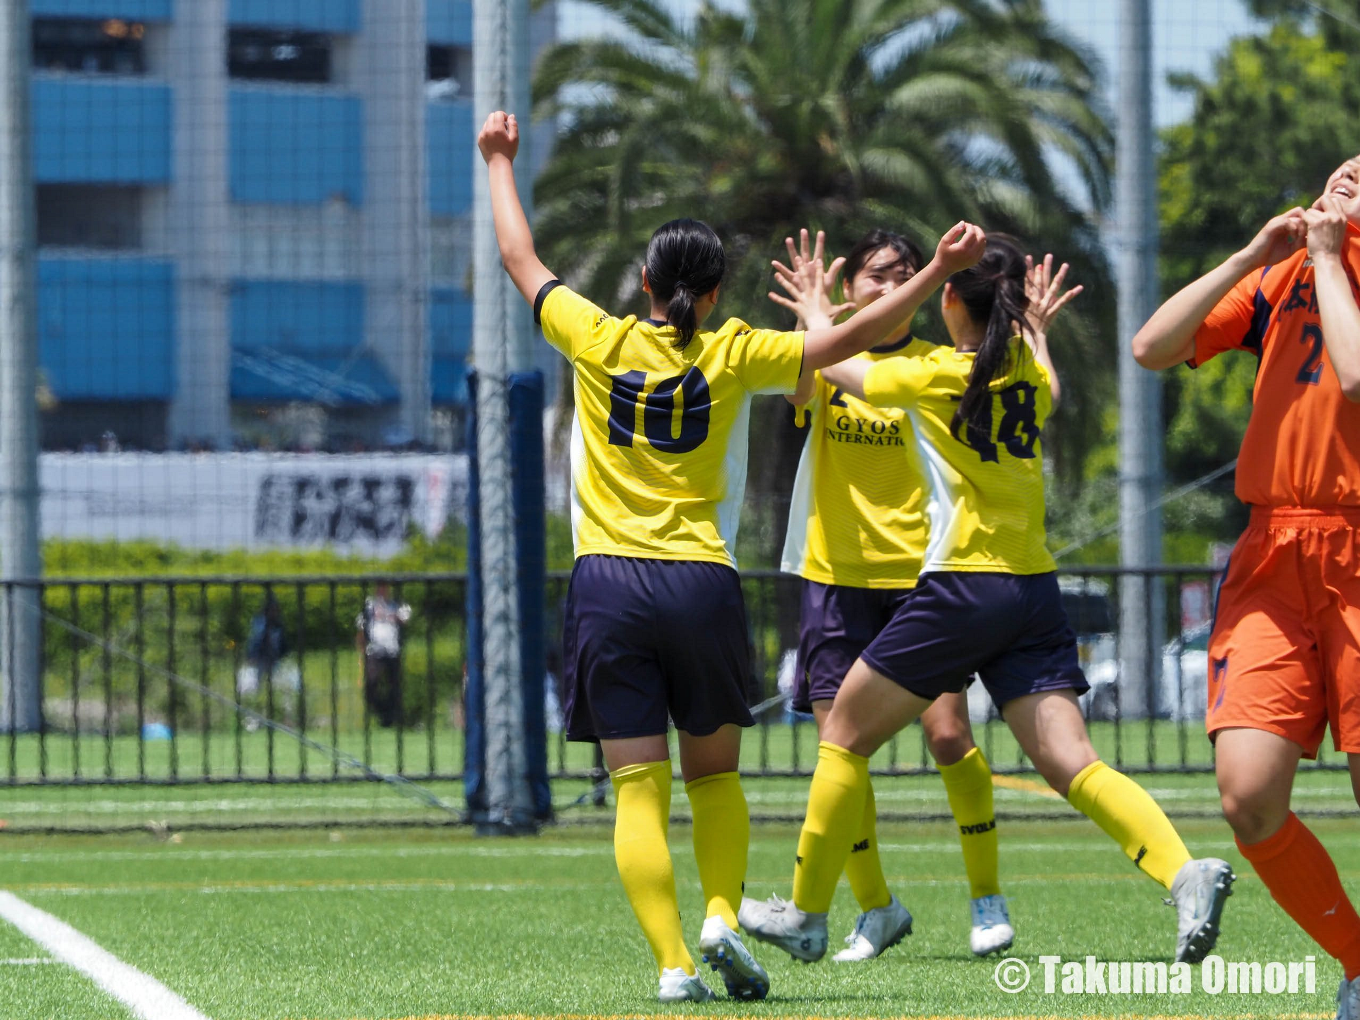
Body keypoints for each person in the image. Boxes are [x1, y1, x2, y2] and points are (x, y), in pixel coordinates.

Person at [477, 109, 986, 1002]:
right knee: (715, 780)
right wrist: (939, 271)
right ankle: (722, 914)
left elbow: (521, 258)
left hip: (609, 585)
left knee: (637, 786)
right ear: (715, 292)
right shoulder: (737, 349)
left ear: (645, 281)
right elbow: (852, 340)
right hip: (701, 584)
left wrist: (498, 163)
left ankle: (675, 964)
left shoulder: (597, 338)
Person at [740, 234, 1235, 968]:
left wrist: (818, 307)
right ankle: (1182, 869)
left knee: (842, 734)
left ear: (948, 300)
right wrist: (1034, 328)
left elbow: (836, 363)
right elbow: (1054, 388)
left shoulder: (942, 371)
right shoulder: (1027, 370)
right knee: (1073, 761)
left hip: (963, 586)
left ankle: (807, 915)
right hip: (1032, 588)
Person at [746, 229, 1081, 961]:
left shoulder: (941, 362)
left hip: (927, 576)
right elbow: (803, 380)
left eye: (908, 274)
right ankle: (874, 908)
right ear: (852, 289)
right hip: (835, 575)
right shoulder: (831, 353)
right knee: (844, 750)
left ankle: (986, 896)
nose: (893, 285)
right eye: (877, 275)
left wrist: (1029, 331)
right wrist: (817, 322)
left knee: (949, 735)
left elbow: (1034, 395)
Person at [1131, 157, 1360, 1020]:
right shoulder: (1280, 273)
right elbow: (1150, 347)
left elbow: (1357, 374)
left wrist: (1333, 261)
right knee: (1247, 797)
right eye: (1346, 164)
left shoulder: (1332, 267)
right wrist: (1246, 256)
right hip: (1275, 549)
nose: (1349, 170)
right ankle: (1358, 962)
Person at [356, 582, 411, 728]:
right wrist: (360, 648)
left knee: (394, 685)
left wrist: (392, 614)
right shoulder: (369, 605)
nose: (381, 590)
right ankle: (382, 712)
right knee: (371, 683)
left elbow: (406, 619)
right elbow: (361, 627)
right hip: (374, 650)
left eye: (384, 587)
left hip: (392, 650)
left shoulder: (397, 604)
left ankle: (391, 718)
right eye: (379, 587)